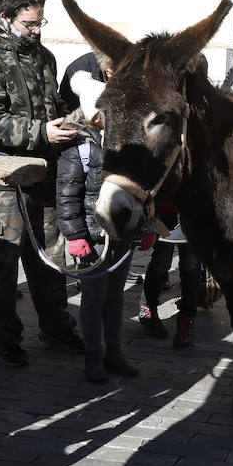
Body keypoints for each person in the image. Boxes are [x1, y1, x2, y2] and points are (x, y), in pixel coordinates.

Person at [0, 0, 82, 367]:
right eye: (30, 24)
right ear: (4, 17)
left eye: (41, 22)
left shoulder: (44, 56)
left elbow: (51, 105)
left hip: (41, 172)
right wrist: (40, 132)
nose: (37, 30)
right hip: (0, 177)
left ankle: (56, 326)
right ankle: (5, 338)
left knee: (50, 255)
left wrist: (72, 118)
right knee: (0, 260)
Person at [56, 58, 138, 383]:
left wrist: (141, 224)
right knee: (94, 295)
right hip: (89, 237)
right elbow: (66, 194)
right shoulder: (78, 144)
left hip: (120, 232)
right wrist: (74, 234)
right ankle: (94, 354)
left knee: (117, 293)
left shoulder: (129, 141)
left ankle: (114, 350)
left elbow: (138, 186)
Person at [137, 205, 204, 348]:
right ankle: (148, 307)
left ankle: (187, 317)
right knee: (161, 263)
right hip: (163, 211)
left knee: (191, 268)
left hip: (193, 212)